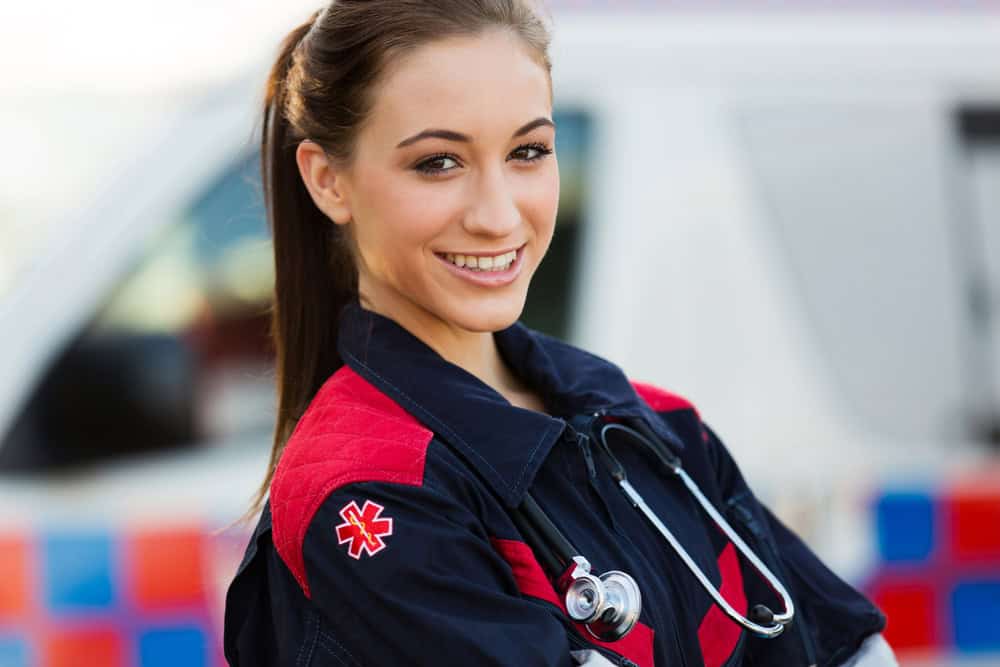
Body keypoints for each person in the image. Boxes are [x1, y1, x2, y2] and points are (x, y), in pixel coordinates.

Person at [223, 2, 897, 665]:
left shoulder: (652, 422)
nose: (497, 215)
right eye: (438, 162)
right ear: (327, 179)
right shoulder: (364, 487)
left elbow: (842, 643)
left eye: (528, 151)